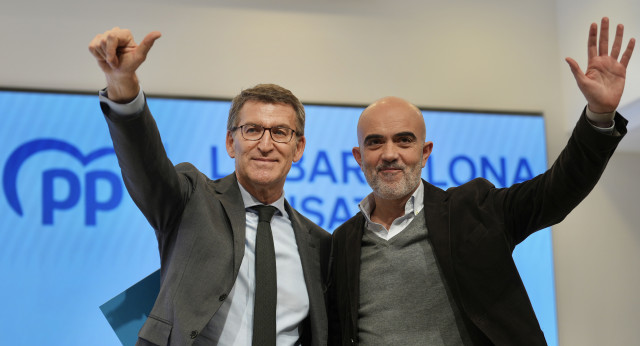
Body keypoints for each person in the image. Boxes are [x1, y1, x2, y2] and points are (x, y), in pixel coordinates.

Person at [327, 17, 635, 345]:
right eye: (375, 142)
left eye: (404, 140)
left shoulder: (474, 209)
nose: (390, 154)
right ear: (359, 157)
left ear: (425, 151)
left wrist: (599, 116)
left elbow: (556, 191)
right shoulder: (341, 243)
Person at [88, 28, 331, 346]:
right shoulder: (192, 199)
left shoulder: (320, 245)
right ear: (231, 143)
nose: (265, 144)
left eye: (281, 132)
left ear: (298, 148)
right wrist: (123, 87)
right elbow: (144, 166)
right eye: (252, 129)